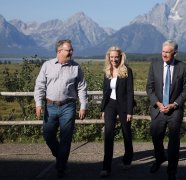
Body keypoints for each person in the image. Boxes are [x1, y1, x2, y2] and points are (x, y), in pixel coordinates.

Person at [34, 39, 88, 178]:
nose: (71, 52)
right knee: (48, 134)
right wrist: (38, 103)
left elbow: (82, 87)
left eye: (71, 50)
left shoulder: (76, 67)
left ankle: (60, 167)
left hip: (68, 106)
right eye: (68, 50)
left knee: (66, 137)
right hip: (50, 106)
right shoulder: (47, 65)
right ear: (59, 51)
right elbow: (40, 85)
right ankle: (60, 156)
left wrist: (83, 105)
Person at [146, 40, 186, 180]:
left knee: (174, 141)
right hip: (158, 109)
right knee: (155, 136)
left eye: (167, 52)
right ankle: (159, 158)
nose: (164, 54)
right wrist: (158, 103)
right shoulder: (154, 66)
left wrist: (174, 104)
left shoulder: (183, 67)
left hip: (175, 111)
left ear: (175, 53)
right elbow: (149, 88)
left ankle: (172, 171)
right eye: (163, 51)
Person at [100, 46, 134, 177]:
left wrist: (130, 111)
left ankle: (127, 159)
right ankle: (106, 167)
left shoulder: (127, 71)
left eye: (116, 57)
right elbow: (105, 92)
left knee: (126, 133)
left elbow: (130, 92)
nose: (114, 59)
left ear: (121, 57)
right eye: (111, 57)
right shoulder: (107, 71)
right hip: (110, 105)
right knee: (108, 134)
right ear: (108, 57)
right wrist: (103, 109)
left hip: (124, 106)